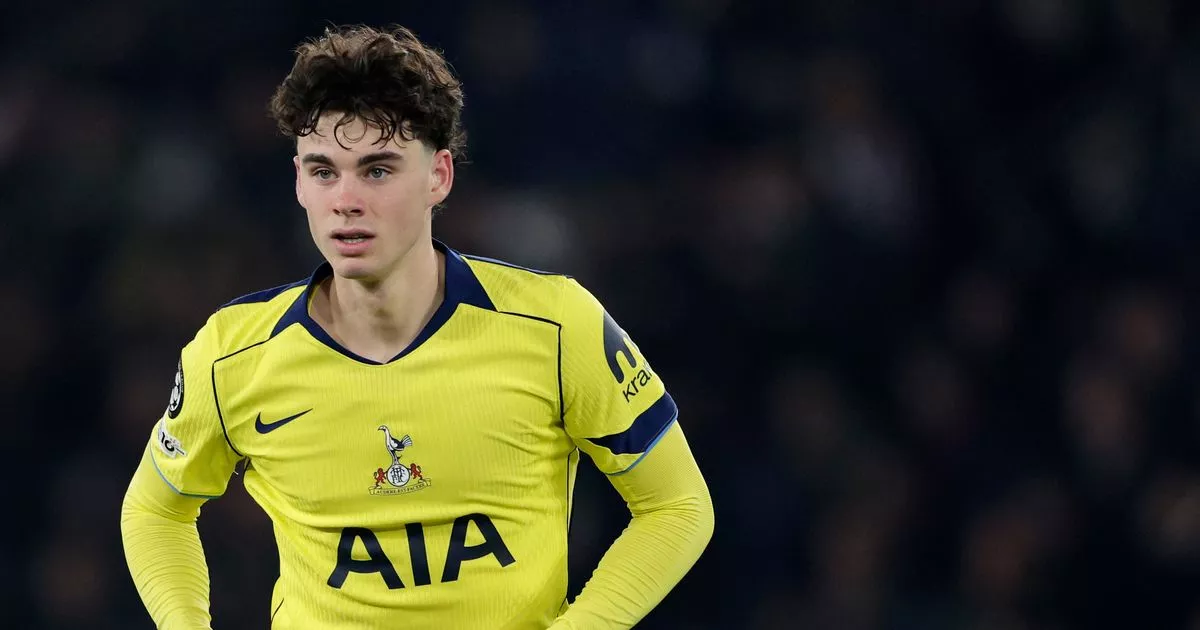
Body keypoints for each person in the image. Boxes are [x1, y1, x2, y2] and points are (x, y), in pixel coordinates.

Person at [120, 24, 714, 630]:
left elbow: (678, 505)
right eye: (323, 172)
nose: (346, 200)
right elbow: (155, 511)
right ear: (298, 181)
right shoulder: (231, 354)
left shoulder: (557, 325)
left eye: (377, 171)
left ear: (439, 176)